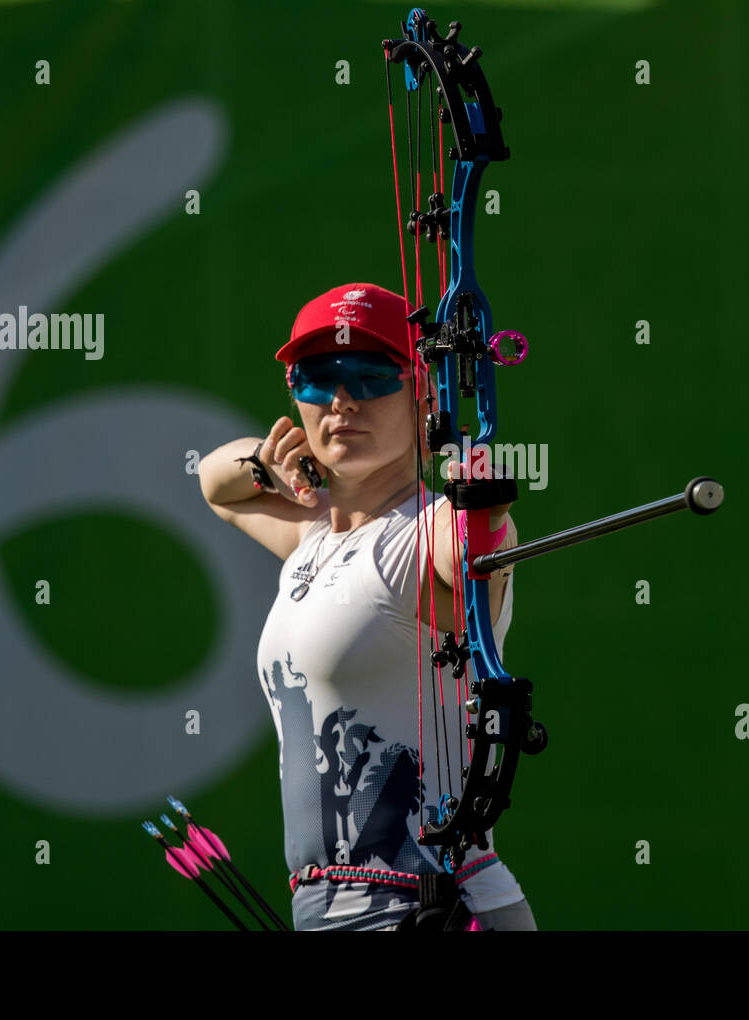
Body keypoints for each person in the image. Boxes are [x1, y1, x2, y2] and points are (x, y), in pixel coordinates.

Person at [197, 283, 537, 931]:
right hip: (327, 911)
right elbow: (216, 482)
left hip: (432, 909)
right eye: (319, 378)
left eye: (373, 375)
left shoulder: (426, 533)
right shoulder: (313, 536)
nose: (343, 400)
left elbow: (470, 552)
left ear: (425, 394)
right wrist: (277, 467)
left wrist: (482, 506)